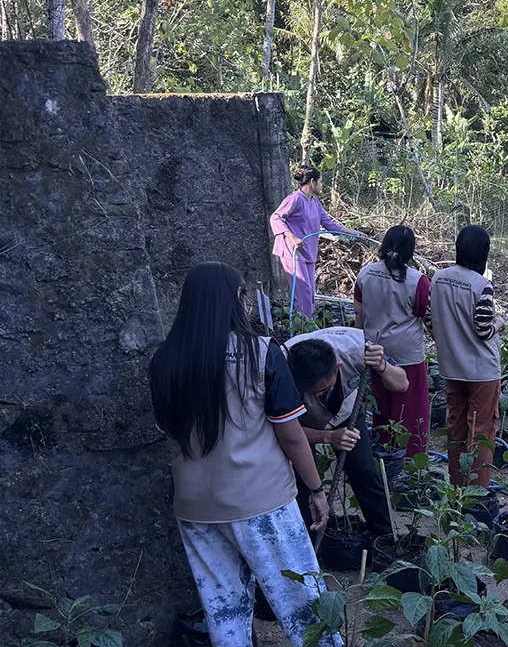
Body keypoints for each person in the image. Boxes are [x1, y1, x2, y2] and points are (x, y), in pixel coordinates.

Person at [150, 262, 339, 647]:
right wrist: (316, 490)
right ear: (238, 299)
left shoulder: (164, 362)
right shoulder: (261, 353)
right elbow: (291, 437)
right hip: (261, 503)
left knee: (225, 612)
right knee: (304, 607)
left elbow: (167, 432)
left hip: (195, 509)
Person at [284, 326, 405, 541]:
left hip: (347, 412)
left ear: (338, 367)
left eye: (322, 390)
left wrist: (382, 365)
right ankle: (309, 545)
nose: (317, 396)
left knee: (365, 472)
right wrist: (327, 437)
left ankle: (383, 541)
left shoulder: (359, 349)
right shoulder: (283, 367)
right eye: (311, 393)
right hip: (299, 419)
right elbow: (284, 433)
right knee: (303, 484)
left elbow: (402, 383)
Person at [430, 225, 505, 487]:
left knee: (456, 429)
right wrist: (499, 323)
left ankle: (456, 486)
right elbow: (484, 330)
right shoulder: (481, 284)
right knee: (482, 432)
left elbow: (430, 319)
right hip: (482, 370)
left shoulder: (438, 278)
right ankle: (478, 494)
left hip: (452, 367)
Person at [355, 225, 431, 456]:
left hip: (374, 353)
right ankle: (411, 461)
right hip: (407, 358)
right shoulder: (418, 282)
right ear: (410, 252)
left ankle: (384, 456)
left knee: (382, 410)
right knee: (411, 414)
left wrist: (359, 347)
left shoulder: (365, 274)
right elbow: (424, 315)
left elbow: (359, 316)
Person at [270, 164, 363, 319]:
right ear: (312, 182)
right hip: (293, 251)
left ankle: (306, 322)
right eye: (320, 182)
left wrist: (355, 233)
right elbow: (276, 217)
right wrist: (292, 237)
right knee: (303, 291)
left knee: (310, 292)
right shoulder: (294, 199)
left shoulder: (315, 203)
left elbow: (329, 224)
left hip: (309, 252)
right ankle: (302, 327)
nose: (322, 186)